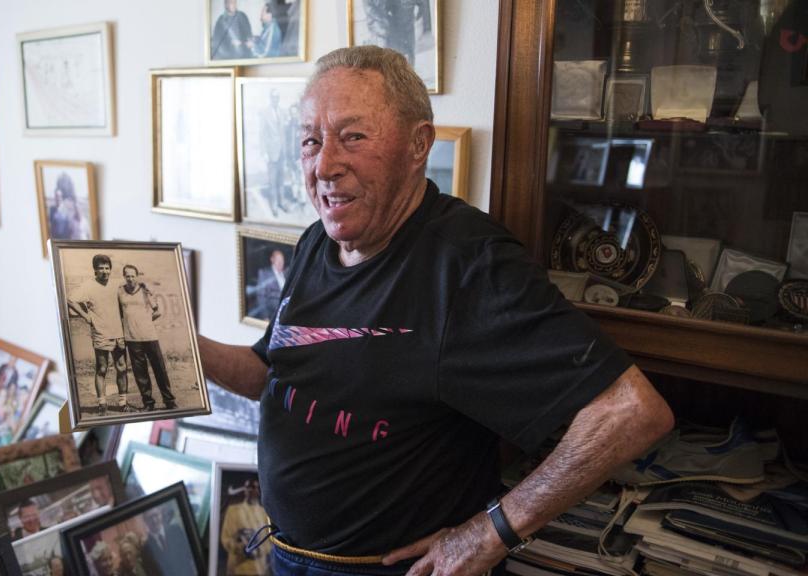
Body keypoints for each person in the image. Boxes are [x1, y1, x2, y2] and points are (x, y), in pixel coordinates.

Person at [196, 46, 675, 575]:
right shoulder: (317, 242)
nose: (325, 164)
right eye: (311, 141)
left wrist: (491, 532)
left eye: (353, 136)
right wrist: (183, 347)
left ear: (418, 144)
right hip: (289, 556)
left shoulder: (467, 263)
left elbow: (631, 412)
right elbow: (274, 371)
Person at [68, 254, 128, 415]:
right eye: (101, 268)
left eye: (107, 268)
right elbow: (71, 300)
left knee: (121, 367)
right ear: (95, 270)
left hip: (119, 333)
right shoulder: (88, 286)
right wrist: (85, 316)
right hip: (101, 332)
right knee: (102, 368)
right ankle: (102, 403)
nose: (104, 271)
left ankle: (123, 402)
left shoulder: (116, 284)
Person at [118, 265, 176, 411]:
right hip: (131, 339)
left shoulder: (145, 290)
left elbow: (158, 311)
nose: (130, 278)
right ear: (124, 276)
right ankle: (148, 404)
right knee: (140, 374)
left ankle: (169, 401)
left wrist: (145, 321)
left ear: (137, 276)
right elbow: (119, 314)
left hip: (149, 336)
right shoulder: (120, 292)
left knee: (160, 370)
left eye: (133, 276)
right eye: (127, 276)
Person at [220, 478, 271, 575]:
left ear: (259, 491)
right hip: (236, 569)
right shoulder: (232, 511)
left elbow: (270, 543)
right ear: (245, 489)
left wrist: (258, 550)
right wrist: (240, 548)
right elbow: (225, 538)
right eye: (249, 487)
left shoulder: (265, 513)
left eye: (255, 487)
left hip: (258, 570)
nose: (252, 490)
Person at [140, 506, 196, 576]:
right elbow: (150, 573)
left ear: (160, 514)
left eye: (155, 515)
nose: (154, 520)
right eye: (150, 518)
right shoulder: (145, 549)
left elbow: (190, 553)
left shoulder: (176, 530)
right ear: (145, 521)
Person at [260, 89, 287, 217]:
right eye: (273, 97)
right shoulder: (265, 113)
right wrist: (264, 152)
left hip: (282, 152)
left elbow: (284, 133)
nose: (275, 100)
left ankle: (281, 202)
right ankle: (274, 206)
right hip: (271, 153)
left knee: (281, 180)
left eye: (277, 97)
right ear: (270, 98)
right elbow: (262, 135)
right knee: (273, 181)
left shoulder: (282, 112)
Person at [253, 249, 286, 319]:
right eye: (278, 260)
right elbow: (261, 297)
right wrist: (265, 317)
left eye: (282, 260)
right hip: (272, 315)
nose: (281, 263)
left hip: (286, 315)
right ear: (272, 260)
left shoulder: (286, 273)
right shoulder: (264, 273)